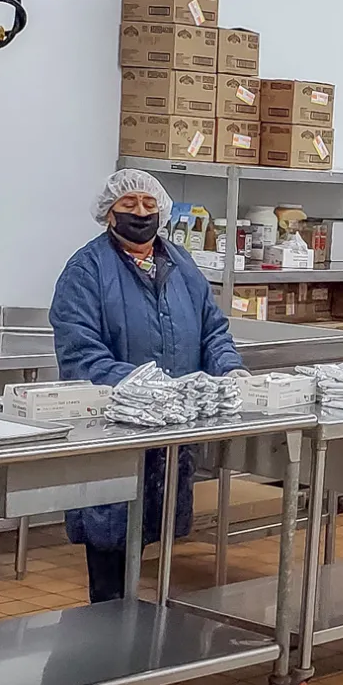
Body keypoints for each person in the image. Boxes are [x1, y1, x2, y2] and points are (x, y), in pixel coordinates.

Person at [50, 169, 244, 603]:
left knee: (153, 533)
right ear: (108, 213)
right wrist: (146, 389)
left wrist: (231, 371)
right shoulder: (86, 270)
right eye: (128, 205)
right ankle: (105, 645)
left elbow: (212, 330)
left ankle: (142, 640)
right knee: (109, 544)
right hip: (113, 432)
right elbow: (81, 354)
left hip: (171, 432)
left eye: (148, 205)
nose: (140, 213)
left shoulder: (181, 264)